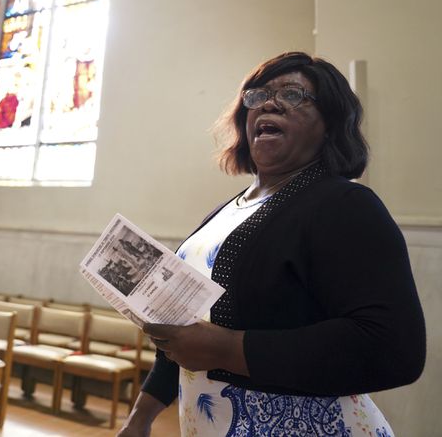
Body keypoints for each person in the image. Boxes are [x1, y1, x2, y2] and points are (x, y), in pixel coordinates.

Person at [118, 52, 425, 437]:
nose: (268, 102)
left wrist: (228, 349)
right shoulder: (226, 212)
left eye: (293, 94)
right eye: (257, 95)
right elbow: (184, 335)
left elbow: (394, 348)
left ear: (329, 124)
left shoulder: (345, 204)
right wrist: (141, 416)